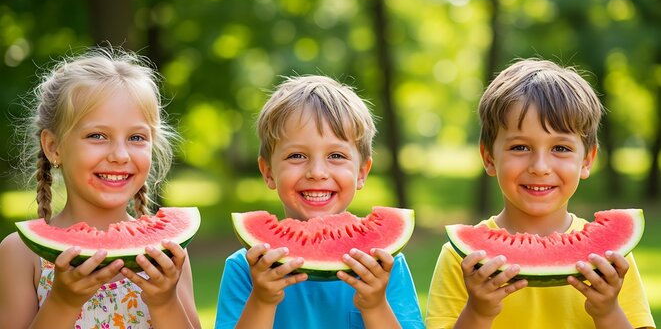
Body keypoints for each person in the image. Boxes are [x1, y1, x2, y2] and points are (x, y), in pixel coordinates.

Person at [425, 58, 656, 328]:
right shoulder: (461, 258)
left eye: (560, 148)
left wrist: (607, 311)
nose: (540, 167)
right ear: (489, 157)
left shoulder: (611, 259)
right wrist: (478, 311)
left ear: (587, 160)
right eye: (520, 147)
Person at [0, 47, 201, 329]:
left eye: (136, 137)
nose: (120, 155)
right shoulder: (21, 254)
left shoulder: (165, 254)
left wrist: (165, 301)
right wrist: (62, 303)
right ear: (53, 147)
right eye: (97, 135)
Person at [214, 75, 424, 328]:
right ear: (268, 171)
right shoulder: (245, 267)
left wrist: (375, 305)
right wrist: (262, 300)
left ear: (362, 172)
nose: (317, 172)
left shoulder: (384, 264)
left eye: (336, 155)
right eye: (297, 155)